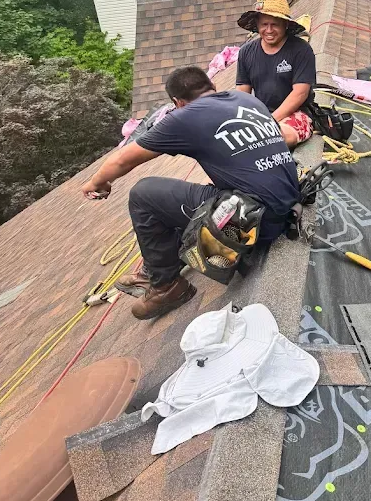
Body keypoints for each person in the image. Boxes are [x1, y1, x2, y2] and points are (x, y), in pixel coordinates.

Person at [81, 66, 299, 319]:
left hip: (253, 224)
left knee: (144, 194)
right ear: (212, 87)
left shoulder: (184, 117)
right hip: (287, 206)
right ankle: (167, 262)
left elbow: (122, 161)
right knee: (179, 197)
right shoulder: (247, 100)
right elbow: (288, 136)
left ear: (178, 102)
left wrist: (95, 183)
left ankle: (167, 286)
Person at [235, 0, 316, 149]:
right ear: (257, 25)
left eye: (275, 24)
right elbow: (242, 94)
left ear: (285, 25)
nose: (269, 30)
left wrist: (271, 120)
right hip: (261, 115)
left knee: (275, 138)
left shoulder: (301, 49)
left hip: (297, 114)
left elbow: (300, 92)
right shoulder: (246, 52)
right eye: (264, 25)